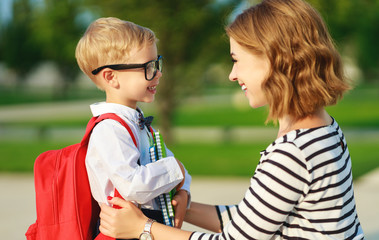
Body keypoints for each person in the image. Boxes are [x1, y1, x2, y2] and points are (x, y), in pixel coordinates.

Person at [97, 0, 365, 239]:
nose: (232, 75)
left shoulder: (292, 152)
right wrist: (183, 208)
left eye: (237, 60)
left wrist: (144, 229)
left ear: (274, 60)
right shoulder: (322, 130)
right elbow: (255, 221)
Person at [75, 17, 192, 234]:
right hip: (122, 232)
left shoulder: (139, 124)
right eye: (148, 67)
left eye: (157, 63)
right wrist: (177, 169)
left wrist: (183, 192)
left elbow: (174, 169)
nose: (158, 73)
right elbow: (133, 186)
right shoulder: (109, 130)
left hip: (144, 227)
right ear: (111, 77)